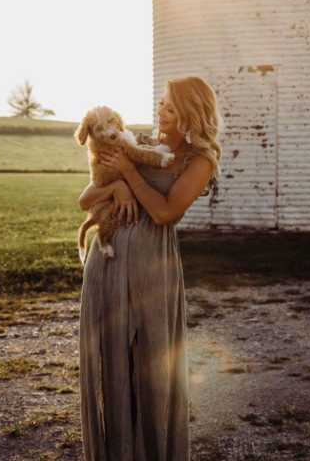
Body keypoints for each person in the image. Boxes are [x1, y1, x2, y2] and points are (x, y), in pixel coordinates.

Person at [77, 76, 222, 461]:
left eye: (171, 108)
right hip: (106, 266)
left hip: (151, 269)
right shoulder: (136, 144)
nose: (161, 112)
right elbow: (85, 199)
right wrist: (116, 187)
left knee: (152, 365)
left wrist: (130, 174)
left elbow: (165, 213)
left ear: (191, 115)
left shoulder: (199, 161)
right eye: (161, 103)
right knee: (112, 361)